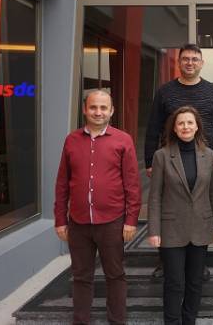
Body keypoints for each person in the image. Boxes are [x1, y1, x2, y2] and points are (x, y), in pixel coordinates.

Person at [54, 90, 141, 325]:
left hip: (112, 222)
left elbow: (132, 184)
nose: (98, 112)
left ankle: (117, 321)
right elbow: (62, 183)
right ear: (85, 110)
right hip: (78, 222)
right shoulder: (71, 140)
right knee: (81, 276)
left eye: (103, 108)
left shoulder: (123, 140)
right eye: (93, 107)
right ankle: (81, 320)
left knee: (115, 274)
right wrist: (60, 219)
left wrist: (131, 220)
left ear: (112, 111)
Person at [144, 43, 213, 278]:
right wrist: (149, 160)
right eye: (186, 59)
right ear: (179, 62)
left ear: (201, 63)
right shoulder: (165, 92)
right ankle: (165, 261)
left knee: (201, 207)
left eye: (194, 59)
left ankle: (199, 263)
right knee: (169, 208)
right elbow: (153, 127)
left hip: (203, 159)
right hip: (170, 160)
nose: (190, 63)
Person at [147, 106, 213, 325]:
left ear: (197, 126)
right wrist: (154, 230)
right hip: (171, 229)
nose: (185, 127)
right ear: (174, 128)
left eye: (190, 122)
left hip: (201, 227)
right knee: (174, 282)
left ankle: (189, 320)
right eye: (181, 123)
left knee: (195, 281)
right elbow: (155, 196)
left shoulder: (209, 155)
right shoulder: (161, 156)